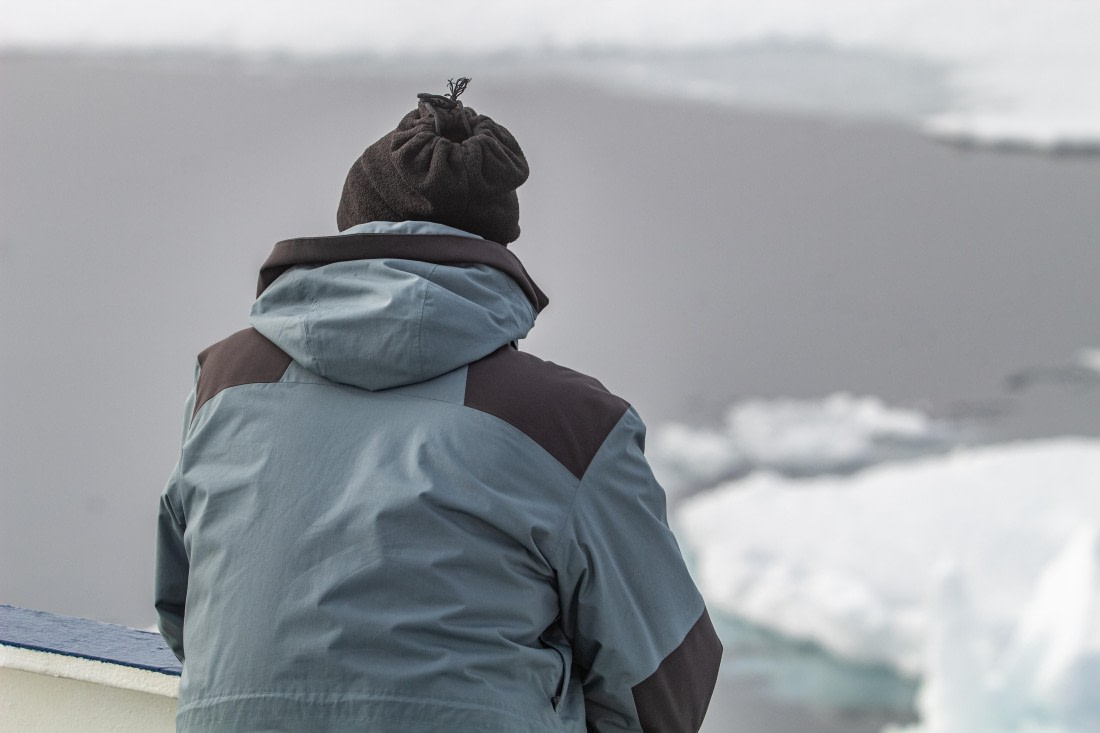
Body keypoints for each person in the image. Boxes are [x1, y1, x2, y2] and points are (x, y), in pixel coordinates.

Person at [154, 78, 722, 733]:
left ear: (352, 228)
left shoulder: (223, 382)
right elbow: (663, 682)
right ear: (494, 246)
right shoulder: (569, 426)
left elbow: (184, 608)